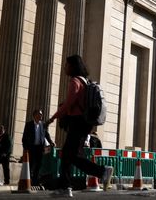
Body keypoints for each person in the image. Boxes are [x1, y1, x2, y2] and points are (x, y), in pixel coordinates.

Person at [47, 54, 113, 197]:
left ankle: (100, 172)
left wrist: (52, 118)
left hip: (77, 121)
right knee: (69, 155)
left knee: (68, 154)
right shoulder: (85, 81)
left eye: (66, 65)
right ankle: (67, 186)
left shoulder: (75, 82)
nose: (65, 67)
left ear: (72, 66)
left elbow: (69, 103)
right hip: (84, 123)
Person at [22, 109, 54, 186]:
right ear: (34, 115)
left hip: (40, 148)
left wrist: (51, 142)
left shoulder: (42, 125)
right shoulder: (29, 125)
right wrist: (25, 147)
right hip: (31, 148)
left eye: (41, 114)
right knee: (31, 164)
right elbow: (24, 137)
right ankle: (29, 180)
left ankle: (35, 181)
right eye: (39, 114)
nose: (41, 116)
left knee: (39, 165)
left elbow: (46, 134)